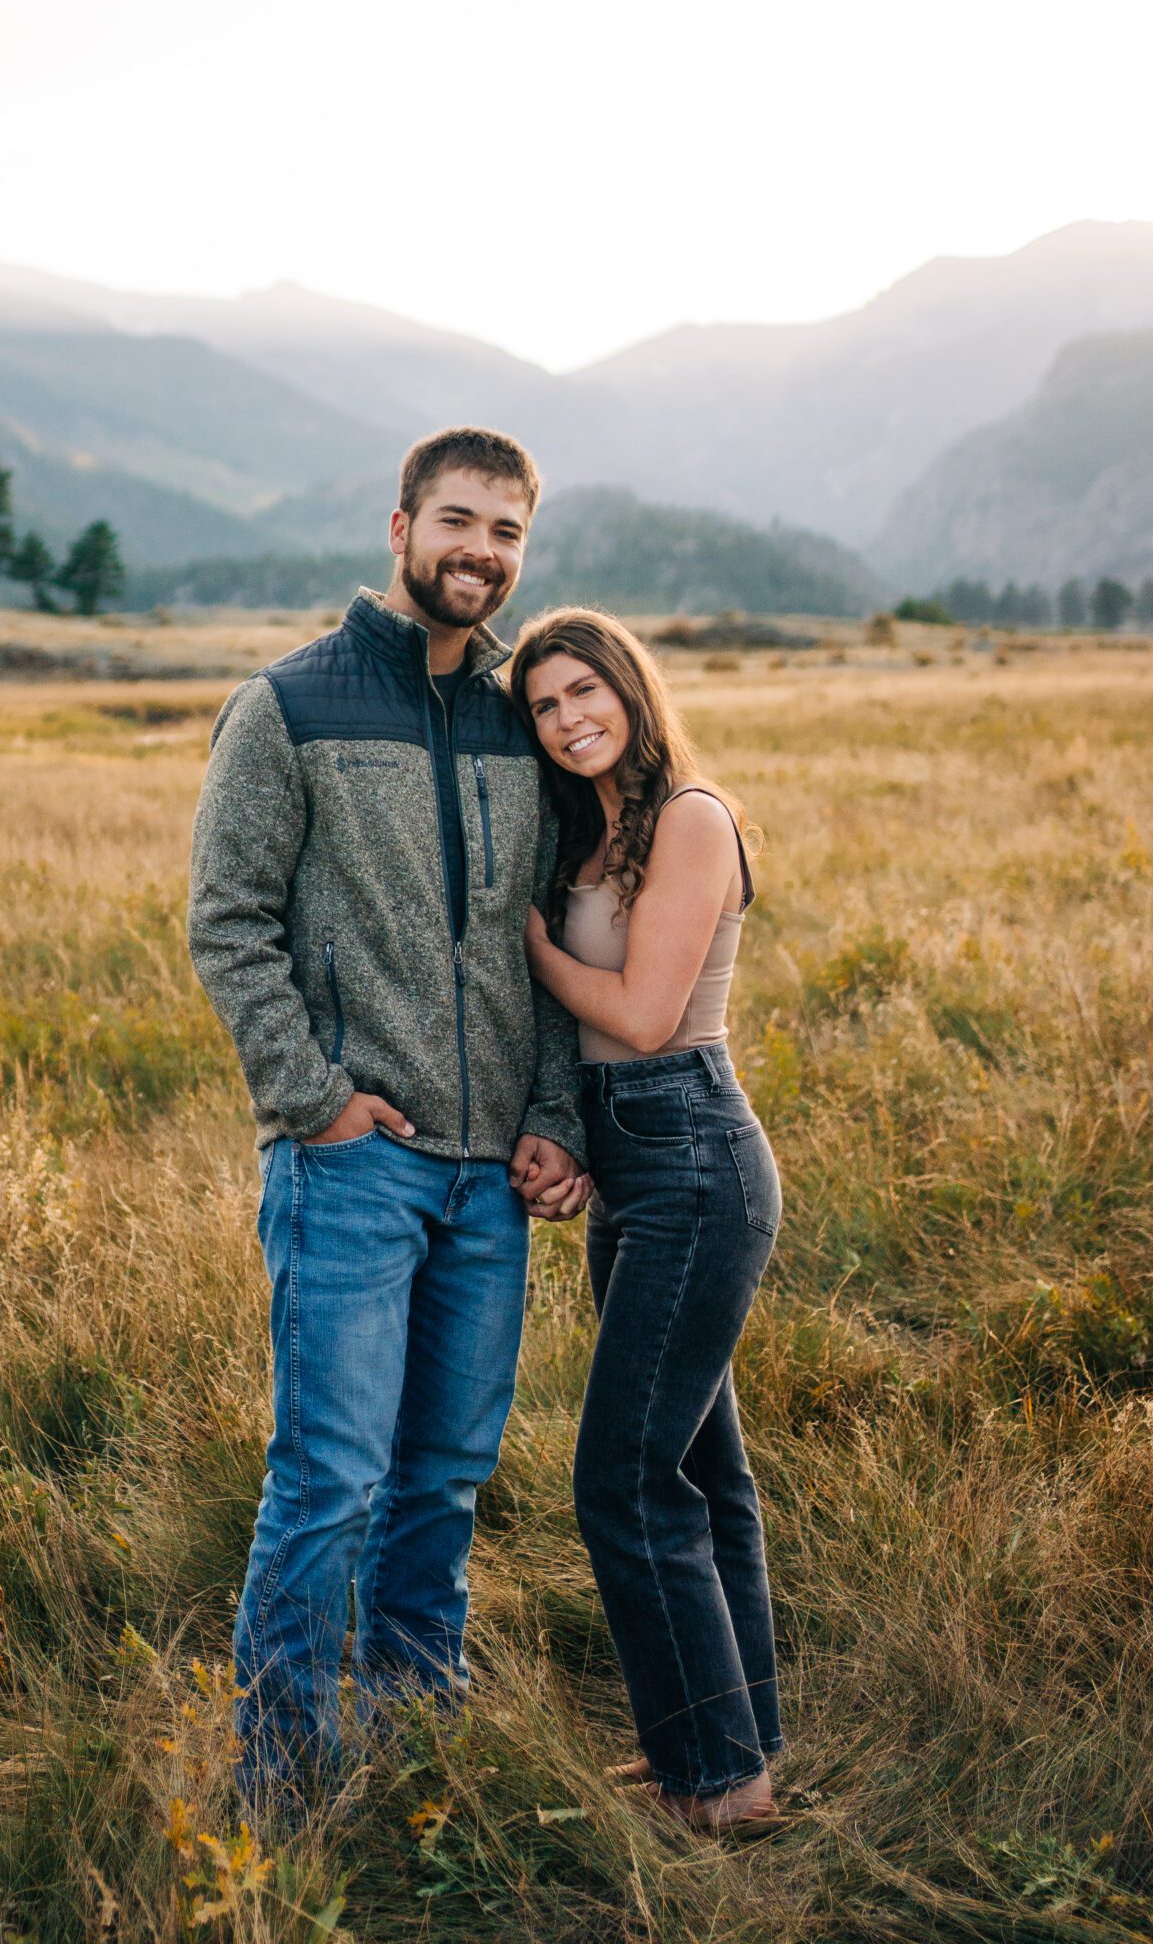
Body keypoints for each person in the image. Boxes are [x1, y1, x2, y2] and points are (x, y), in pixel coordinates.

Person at [188, 428, 590, 1791]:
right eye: (459, 520)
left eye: (507, 533)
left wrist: (554, 1116)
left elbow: (537, 936)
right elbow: (227, 924)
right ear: (401, 524)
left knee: (441, 1483)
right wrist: (313, 1102)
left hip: (491, 1180)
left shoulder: (516, 718)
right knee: (330, 1487)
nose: (481, 550)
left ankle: (419, 1749)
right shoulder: (288, 706)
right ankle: (284, 1783)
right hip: (355, 1166)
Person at [512, 607, 784, 1828]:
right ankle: (724, 1733)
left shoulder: (689, 816)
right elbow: (591, 1043)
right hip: (633, 1160)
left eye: (585, 692)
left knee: (621, 1481)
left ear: (630, 686)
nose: (569, 718)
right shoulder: (592, 832)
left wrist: (524, 942)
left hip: (692, 1153)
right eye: (544, 705)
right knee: (700, 1469)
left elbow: (639, 1010)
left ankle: (719, 1785)